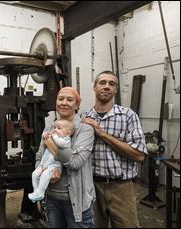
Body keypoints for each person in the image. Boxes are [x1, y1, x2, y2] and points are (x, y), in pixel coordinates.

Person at [82, 70, 148, 228]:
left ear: (116, 90)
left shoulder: (128, 116)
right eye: (102, 83)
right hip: (92, 187)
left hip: (122, 189)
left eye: (112, 84)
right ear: (94, 87)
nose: (106, 86)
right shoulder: (84, 119)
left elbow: (139, 155)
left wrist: (102, 133)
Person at [35, 86, 96, 228]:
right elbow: (39, 157)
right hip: (52, 199)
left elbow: (75, 162)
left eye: (70, 99)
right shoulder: (49, 128)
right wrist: (43, 171)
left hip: (77, 201)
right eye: (60, 99)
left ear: (77, 105)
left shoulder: (85, 129)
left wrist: (51, 143)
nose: (64, 102)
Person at [29, 119, 75, 203]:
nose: (55, 130)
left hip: (54, 166)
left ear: (68, 133)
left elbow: (60, 144)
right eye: (55, 127)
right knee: (34, 174)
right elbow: (44, 139)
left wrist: (53, 137)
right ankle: (36, 190)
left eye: (59, 128)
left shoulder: (66, 140)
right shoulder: (55, 136)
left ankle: (40, 193)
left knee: (44, 176)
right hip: (44, 163)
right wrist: (45, 134)